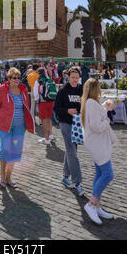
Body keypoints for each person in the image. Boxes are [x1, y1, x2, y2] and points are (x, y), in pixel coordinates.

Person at [0, 67, 34, 190]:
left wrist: (28, 124)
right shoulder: (3, 90)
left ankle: (9, 177)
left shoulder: (23, 90)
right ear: (9, 78)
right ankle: (2, 177)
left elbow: (27, 107)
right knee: (5, 150)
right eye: (14, 78)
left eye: (19, 78)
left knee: (14, 152)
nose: (17, 80)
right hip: (5, 126)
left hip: (19, 127)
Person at [81, 80, 117, 224]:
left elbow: (95, 115)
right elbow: (96, 125)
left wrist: (105, 107)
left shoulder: (89, 102)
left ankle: (96, 205)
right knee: (108, 174)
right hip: (97, 144)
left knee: (100, 173)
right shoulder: (90, 103)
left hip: (96, 143)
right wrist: (107, 121)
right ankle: (91, 204)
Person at [54, 67, 85, 196]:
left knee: (71, 150)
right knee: (72, 151)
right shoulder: (62, 91)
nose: (75, 80)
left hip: (77, 124)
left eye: (77, 78)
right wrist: (67, 111)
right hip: (65, 123)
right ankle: (77, 182)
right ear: (68, 77)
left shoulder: (81, 89)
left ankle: (65, 176)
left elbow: (84, 105)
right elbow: (56, 109)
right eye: (72, 77)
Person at [33, 68, 57, 145]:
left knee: (43, 120)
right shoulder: (50, 80)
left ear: (38, 74)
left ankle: (46, 138)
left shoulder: (38, 81)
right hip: (51, 101)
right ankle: (51, 135)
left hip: (42, 102)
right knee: (49, 118)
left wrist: (37, 99)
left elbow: (36, 92)